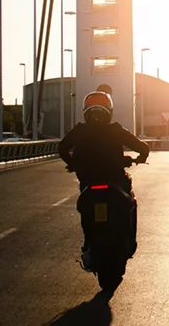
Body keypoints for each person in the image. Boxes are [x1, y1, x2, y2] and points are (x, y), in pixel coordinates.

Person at [58, 89, 149, 268]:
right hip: (116, 180)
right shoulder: (116, 130)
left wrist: (73, 163)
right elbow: (142, 147)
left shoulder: (80, 130)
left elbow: (62, 148)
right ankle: (128, 240)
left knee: (86, 213)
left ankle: (89, 244)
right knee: (130, 204)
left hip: (89, 181)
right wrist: (140, 158)